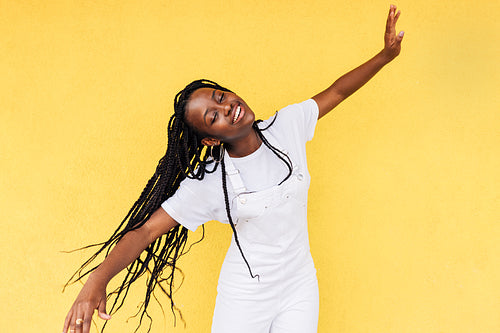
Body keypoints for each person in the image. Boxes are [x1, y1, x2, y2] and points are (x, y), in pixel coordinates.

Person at [62, 5, 404, 333]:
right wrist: (98, 279)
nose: (228, 107)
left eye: (221, 97)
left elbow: (338, 91)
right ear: (211, 139)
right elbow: (146, 232)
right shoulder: (210, 181)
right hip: (246, 298)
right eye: (214, 116)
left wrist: (385, 56)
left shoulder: (287, 126)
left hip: (300, 285)